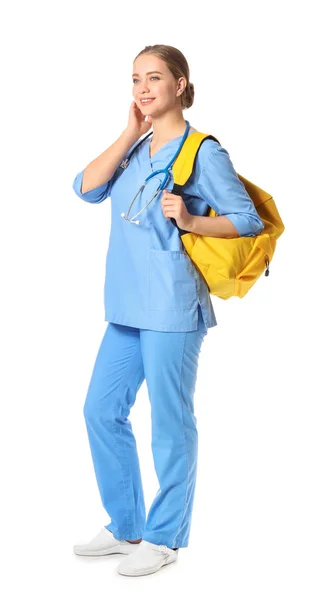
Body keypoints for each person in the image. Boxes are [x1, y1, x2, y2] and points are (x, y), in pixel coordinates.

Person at [72, 44, 264, 577]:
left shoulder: (202, 152)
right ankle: (126, 524)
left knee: (170, 423)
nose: (143, 88)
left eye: (154, 77)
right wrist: (129, 132)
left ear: (180, 84)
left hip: (173, 306)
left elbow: (248, 220)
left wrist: (194, 222)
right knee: (100, 410)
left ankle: (164, 538)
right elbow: (84, 188)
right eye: (136, 79)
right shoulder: (135, 148)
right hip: (127, 305)